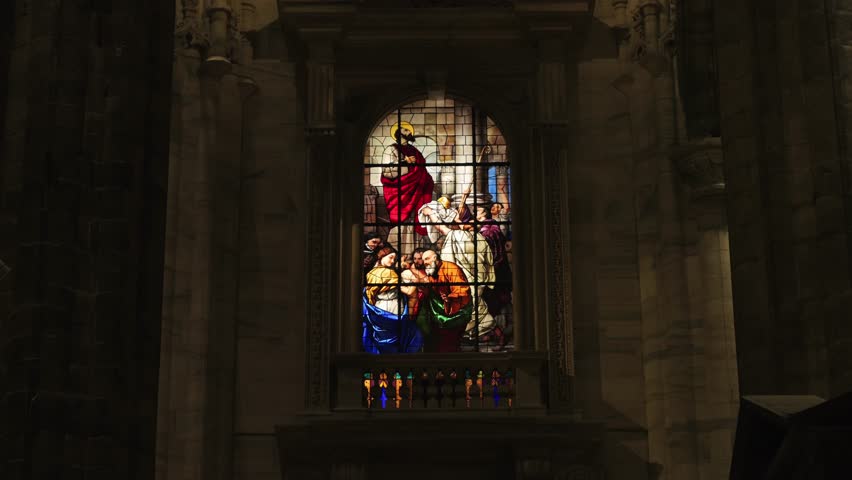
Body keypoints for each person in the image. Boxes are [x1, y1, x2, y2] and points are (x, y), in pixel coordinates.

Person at [381, 121, 435, 251]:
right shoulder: (391, 149)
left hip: (417, 189)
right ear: (398, 133)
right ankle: (397, 251)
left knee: (414, 219)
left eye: (409, 130)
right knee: (401, 222)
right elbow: (387, 171)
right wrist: (404, 161)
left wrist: (426, 180)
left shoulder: (415, 151)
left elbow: (421, 170)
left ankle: (416, 251)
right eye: (405, 130)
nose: (409, 132)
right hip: (399, 191)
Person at [362, 247, 423, 354]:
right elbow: (408, 291)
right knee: (403, 334)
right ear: (381, 257)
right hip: (392, 307)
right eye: (390, 257)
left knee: (383, 335)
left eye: (394, 259)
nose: (392, 261)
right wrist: (415, 281)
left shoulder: (371, 273)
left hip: (379, 306)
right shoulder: (389, 274)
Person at [417, 250, 472, 352]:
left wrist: (450, 297)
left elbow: (462, 289)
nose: (425, 262)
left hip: (457, 308)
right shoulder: (431, 271)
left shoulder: (451, 268)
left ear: (435, 258)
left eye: (427, 259)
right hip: (440, 306)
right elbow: (432, 289)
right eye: (423, 260)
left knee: (449, 341)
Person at [400, 248, 431, 318]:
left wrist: (420, 281)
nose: (416, 261)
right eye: (415, 259)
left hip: (426, 298)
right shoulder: (412, 266)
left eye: (419, 259)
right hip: (413, 296)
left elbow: (428, 281)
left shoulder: (429, 269)